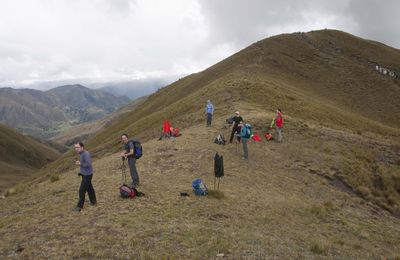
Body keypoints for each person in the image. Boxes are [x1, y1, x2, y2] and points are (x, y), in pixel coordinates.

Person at [73, 142, 96, 212]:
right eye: (75, 147)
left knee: (81, 190)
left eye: (77, 147)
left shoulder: (86, 154)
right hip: (85, 174)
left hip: (87, 175)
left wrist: (80, 164)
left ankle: (79, 207)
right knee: (89, 189)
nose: (76, 149)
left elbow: (89, 164)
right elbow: (84, 165)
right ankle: (93, 201)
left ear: (82, 147)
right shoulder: (81, 153)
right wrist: (81, 172)